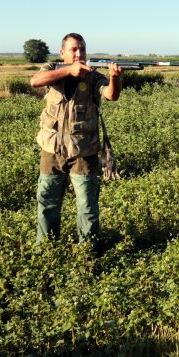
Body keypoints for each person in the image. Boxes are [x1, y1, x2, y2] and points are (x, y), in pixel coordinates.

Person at [29, 33, 123, 251]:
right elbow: (35, 81)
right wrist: (68, 70)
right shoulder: (51, 68)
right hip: (52, 149)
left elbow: (111, 94)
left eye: (82, 49)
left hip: (84, 150)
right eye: (73, 49)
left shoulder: (93, 75)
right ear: (62, 52)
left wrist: (115, 78)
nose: (79, 53)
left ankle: (88, 251)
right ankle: (46, 248)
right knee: (47, 202)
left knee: (87, 205)